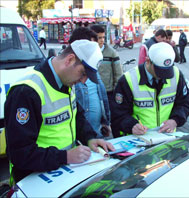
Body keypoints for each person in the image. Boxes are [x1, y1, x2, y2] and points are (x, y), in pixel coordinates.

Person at [4, 40, 115, 184]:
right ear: (69, 60)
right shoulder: (26, 92)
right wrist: (65, 156)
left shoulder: (66, 80)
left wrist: (90, 138)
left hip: (61, 173)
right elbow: (20, 153)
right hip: (32, 181)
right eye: (82, 74)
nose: (83, 81)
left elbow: (76, 116)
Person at [111, 42, 189, 137]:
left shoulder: (176, 75)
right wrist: (132, 125)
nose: (163, 76)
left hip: (166, 137)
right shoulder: (128, 79)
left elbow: (184, 103)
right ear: (148, 61)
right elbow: (117, 113)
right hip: (139, 139)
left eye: (167, 71)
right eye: (159, 71)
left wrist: (175, 120)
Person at [68, 27, 112, 138]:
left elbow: (102, 97)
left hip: (95, 134)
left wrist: (105, 121)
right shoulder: (70, 76)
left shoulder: (91, 67)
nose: (84, 79)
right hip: (79, 139)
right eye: (91, 48)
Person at [90, 25, 122, 107]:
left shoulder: (111, 53)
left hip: (108, 93)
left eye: (103, 37)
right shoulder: (87, 53)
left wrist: (116, 91)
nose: (102, 40)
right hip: (91, 92)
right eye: (99, 38)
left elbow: (118, 74)